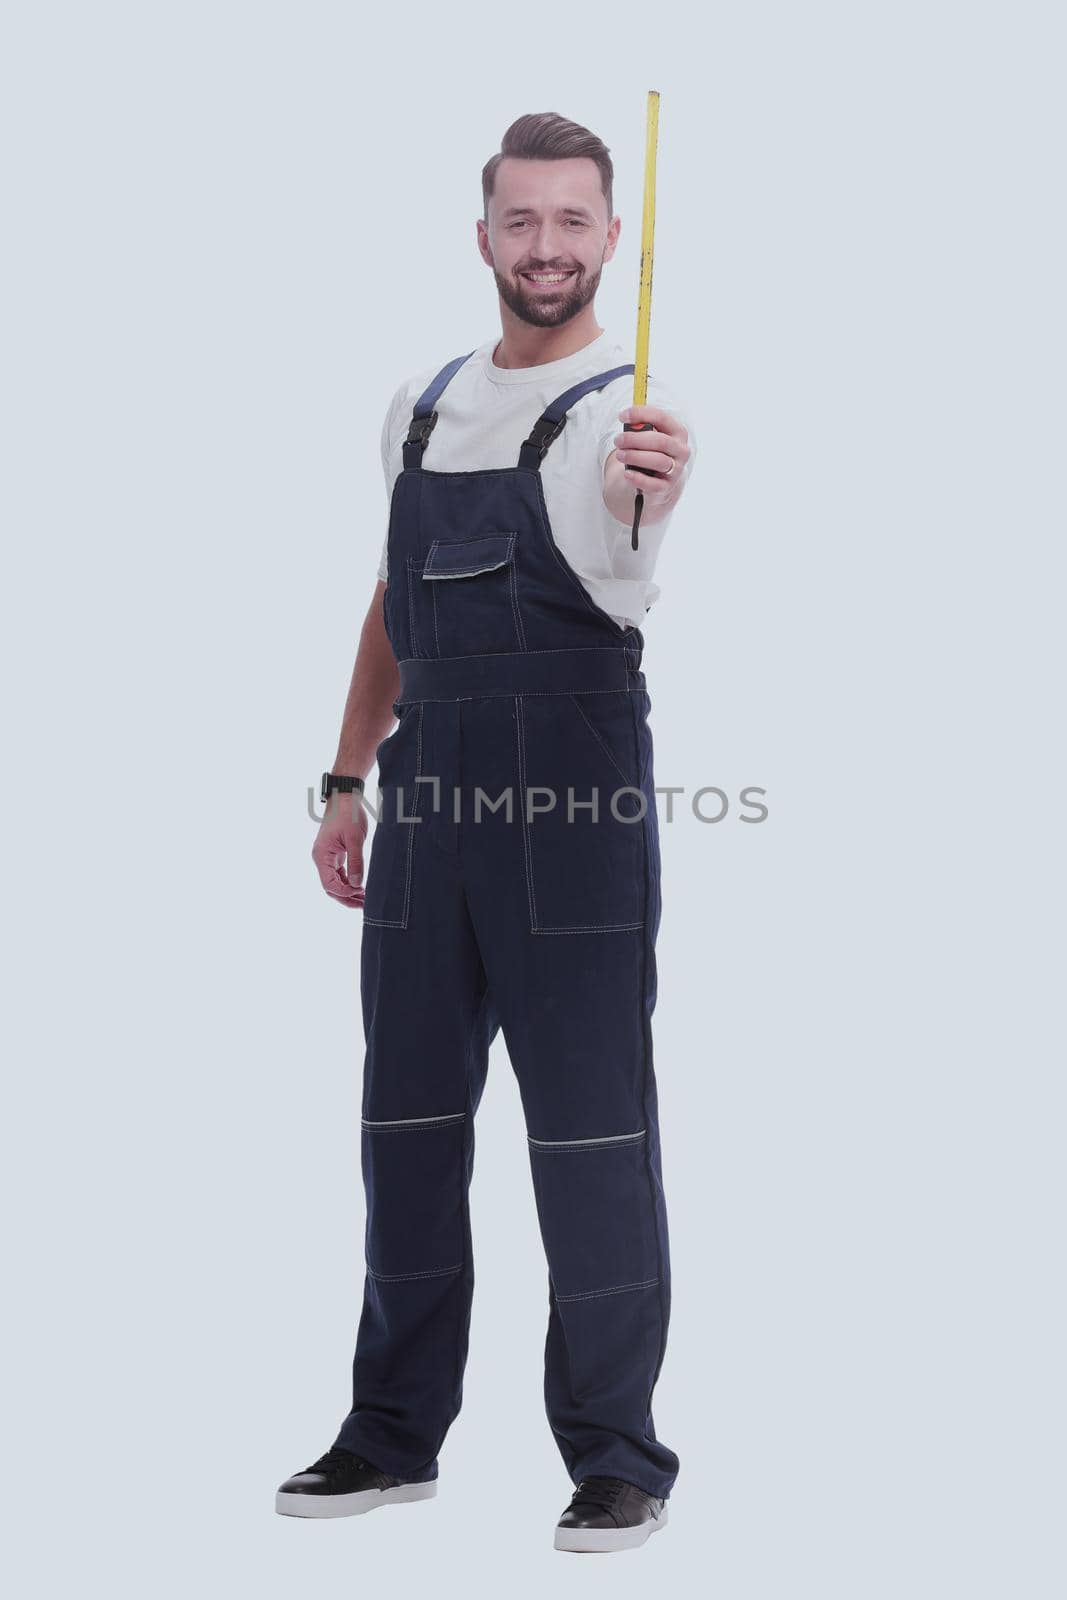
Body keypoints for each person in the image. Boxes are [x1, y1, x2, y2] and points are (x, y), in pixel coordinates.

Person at [276, 112, 697, 1555]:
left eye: (573, 222)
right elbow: (394, 599)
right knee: (403, 1129)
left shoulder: (632, 420)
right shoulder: (419, 406)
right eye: (522, 221)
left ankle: (619, 1455)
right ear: (485, 237)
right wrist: (345, 781)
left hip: (572, 811)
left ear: (610, 239)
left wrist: (654, 495)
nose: (547, 248)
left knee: (591, 1135)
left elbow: (629, 549)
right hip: (429, 804)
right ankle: (389, 1437)